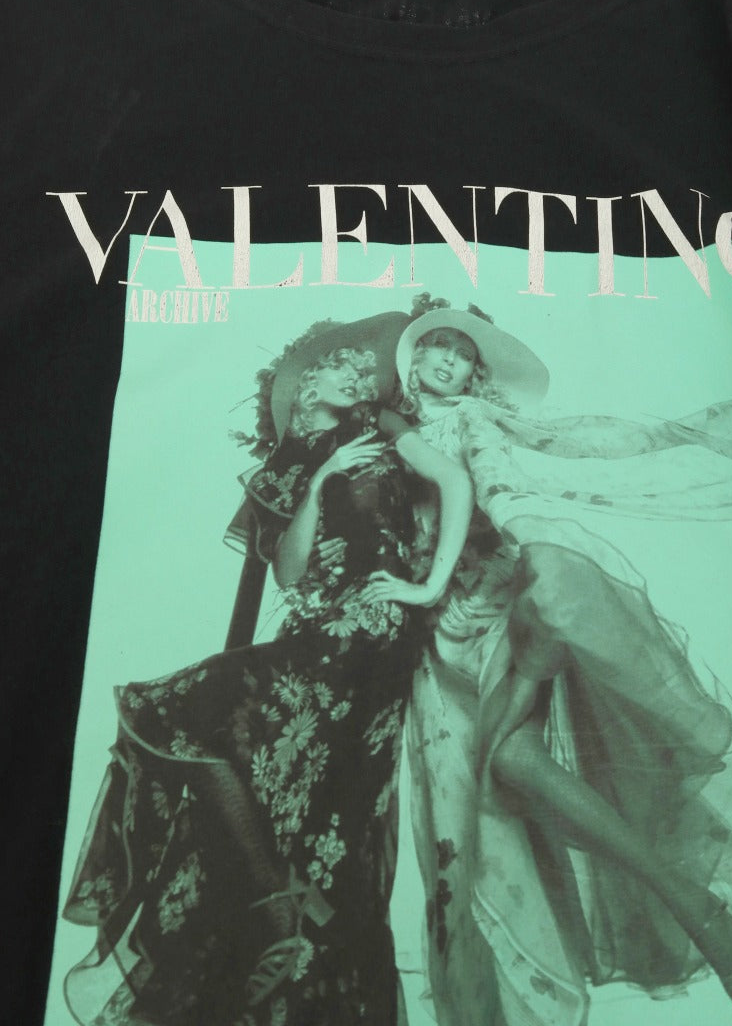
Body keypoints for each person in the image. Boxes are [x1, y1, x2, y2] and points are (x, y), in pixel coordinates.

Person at [364, 298, 732, 1026]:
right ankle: (693, 908)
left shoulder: (470, 421)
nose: (450, 361)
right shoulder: (392, 429)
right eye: (439, 346)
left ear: (475, 374)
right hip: (444, 641)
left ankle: (694, 908)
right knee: (501, 786)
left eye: (463, 354)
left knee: (510, 766)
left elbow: (490, 484)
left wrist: (485, 560)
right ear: (415, 356)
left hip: (510, 603)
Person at [60, 311, 473, 1026]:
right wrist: (319, 484)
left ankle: (278, 911)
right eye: (339, 364)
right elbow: (288, 572)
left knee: (191, 712)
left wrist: (429, 585)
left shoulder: (379, 423)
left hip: (371, 629)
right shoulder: (283, 469)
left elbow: (454, 482)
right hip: (319, 629)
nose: (355, 374)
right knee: (314, 812)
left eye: (359, 367)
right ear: (303, 383)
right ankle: (281, 920)